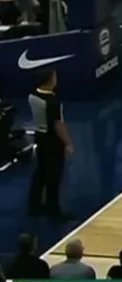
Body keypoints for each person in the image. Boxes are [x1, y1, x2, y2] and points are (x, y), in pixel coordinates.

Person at [28, 69, 71, 218]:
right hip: (53, 141)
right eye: (54, 76)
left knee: (40, 172)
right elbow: (58, 125)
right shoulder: (52, 102)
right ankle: (53, 211)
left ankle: (34, 205)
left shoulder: (32, 95)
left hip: (39, 136)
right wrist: (68, 143)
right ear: (49, 80)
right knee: (54, 175)